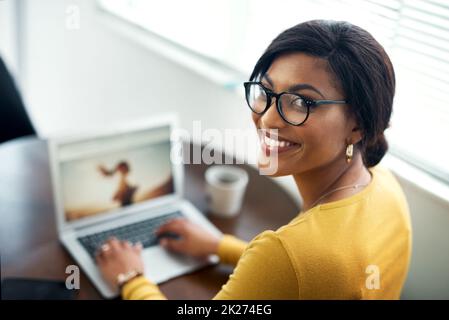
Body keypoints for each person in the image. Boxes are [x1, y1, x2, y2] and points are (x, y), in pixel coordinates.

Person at [95, 20, 411, 300]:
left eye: (302, 102)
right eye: (267, 91)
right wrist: (221, 247)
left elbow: (296, 265)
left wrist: (132, 278)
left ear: (357, 124)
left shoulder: (288, 254)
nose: (268, 118)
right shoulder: (385, 187)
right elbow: (305, 275)